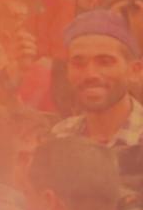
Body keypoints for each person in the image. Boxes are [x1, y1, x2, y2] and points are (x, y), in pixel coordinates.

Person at [52, 10, 143, 146]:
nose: (90, 74)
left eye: (105, 62)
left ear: (134, 71)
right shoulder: (60, 136)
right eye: (78, 63)